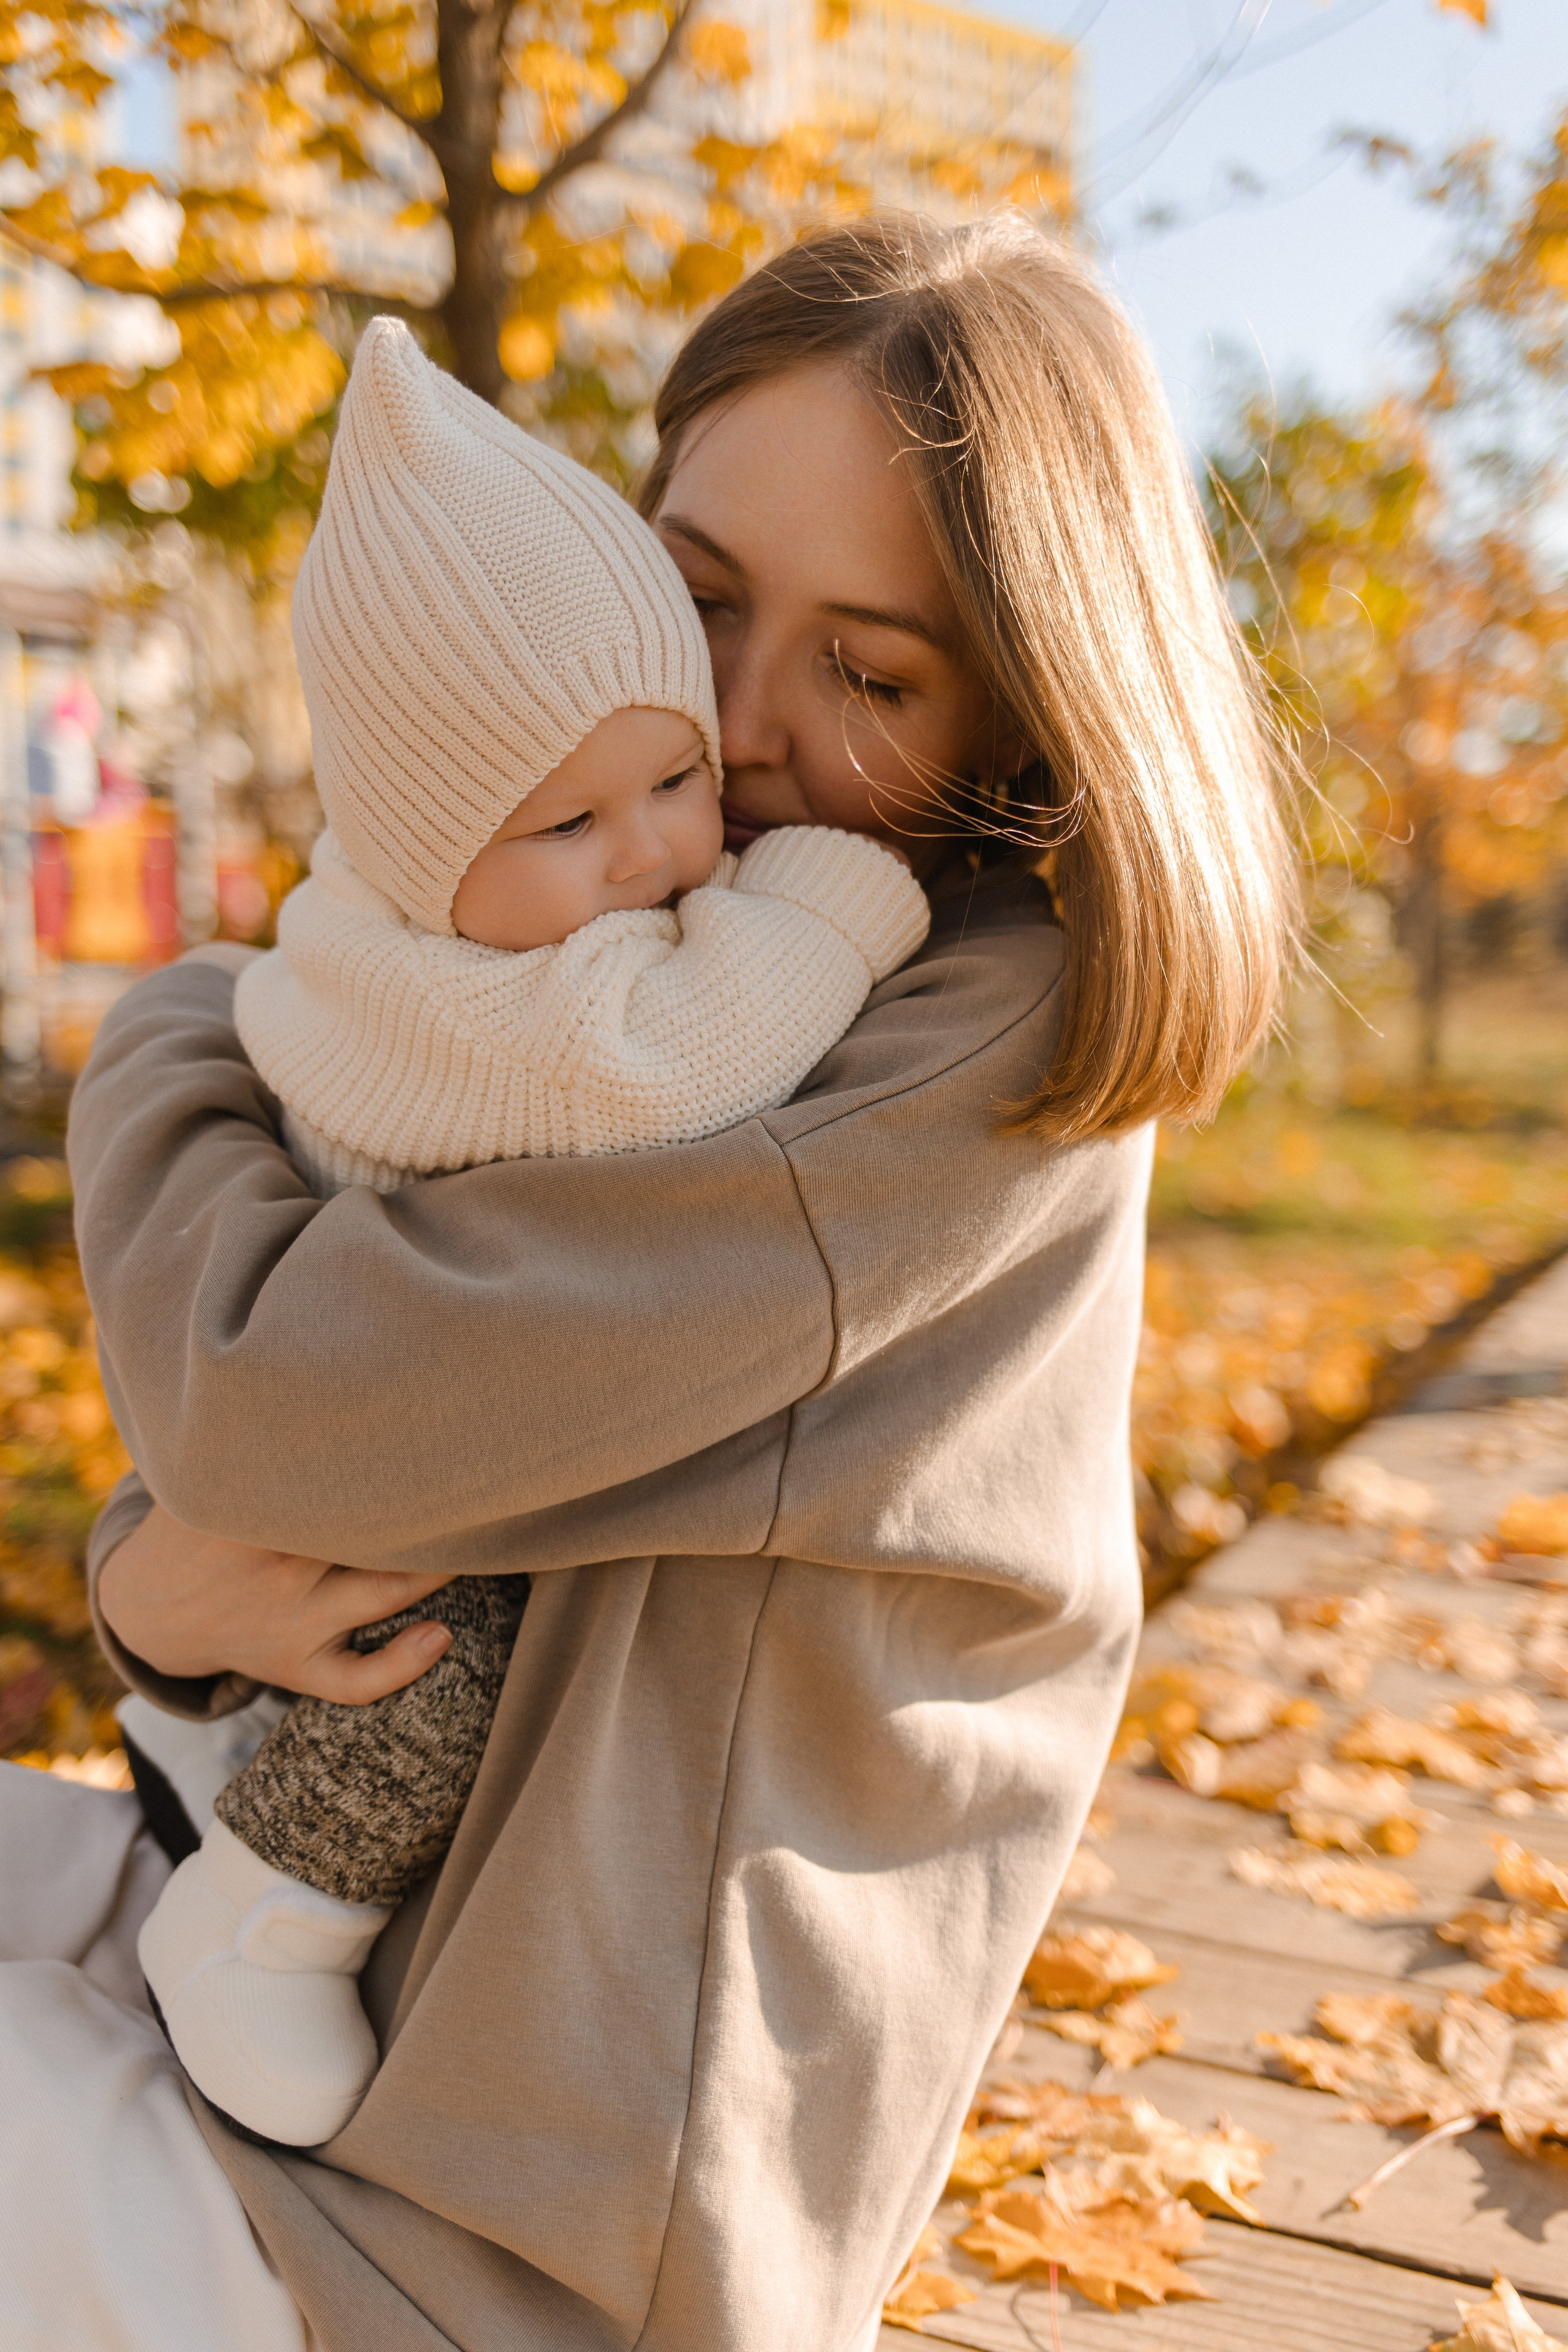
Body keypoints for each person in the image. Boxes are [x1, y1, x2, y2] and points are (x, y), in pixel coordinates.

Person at [6, 211, 1297, 2352]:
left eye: (870, 674)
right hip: (304, 1979)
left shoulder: (956, 1061)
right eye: (698, 602)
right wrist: (158, 1594)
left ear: (1030, 714)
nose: (735, 732)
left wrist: (164, 1032)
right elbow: (382, 1415)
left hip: (476, 2251)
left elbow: (278, 1393)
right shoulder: (661, 951)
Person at [135, 314, 928, 2150]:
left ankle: (208, 1742)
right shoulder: (507, 1011)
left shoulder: (430, 916)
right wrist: (831, 902)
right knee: (455, 1648)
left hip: (353, 1416)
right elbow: (671, 1061)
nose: (655, 853)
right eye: (570, 820)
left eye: (675, 783)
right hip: (405, 1467)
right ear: (431, 860)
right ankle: (267, 1909)